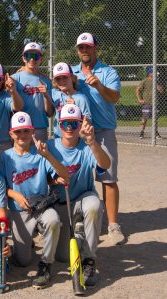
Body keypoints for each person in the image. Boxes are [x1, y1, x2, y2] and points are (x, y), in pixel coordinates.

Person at [0, 111, 69, 289]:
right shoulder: (5, 156)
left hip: (41, 206)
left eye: (26, 131)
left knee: (53, 220)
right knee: (23, 261)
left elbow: (64, 176)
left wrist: (48, 156)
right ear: (11, 134)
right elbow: (0, 186)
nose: (22, 135)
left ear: (32, 132)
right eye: (18, 131)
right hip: (18, 210)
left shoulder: (41, 154)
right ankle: (25, 244)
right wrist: (15, 194)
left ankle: (46, 264)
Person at [47, 104, 111, 287]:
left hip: (84, 196)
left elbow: (105, 165)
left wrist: (92, 141)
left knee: (94, 206)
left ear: (80, 125)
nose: (69, 128)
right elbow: (43, 177)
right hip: (61, 202)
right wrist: (53, 180)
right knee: (62, 257)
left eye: (73, 124)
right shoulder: (51, 146)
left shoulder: (86, 146)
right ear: (59, 125)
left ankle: (89, 260)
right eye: (65, 123)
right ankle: (78, 231)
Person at [72, 32, 124, 245]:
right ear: (77, 50)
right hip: (77, 133)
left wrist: (99, 86)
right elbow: (53, 84)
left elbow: (115, 98)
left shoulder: (108, 72)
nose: (84, 50)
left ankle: (113, 225)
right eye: (81, 47)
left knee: (108, 177)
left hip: (103, 132)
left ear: (96, 48)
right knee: (77, 176)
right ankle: (79, 218)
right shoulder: (72, 71)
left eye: (88, 47)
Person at [11, 42, 54, 142]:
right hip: (20, 128)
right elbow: (11, 108)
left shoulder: (46, 81)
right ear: (23, 58)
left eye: (35, 56)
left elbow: (50, 113)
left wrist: (47, 96)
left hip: (40, 128)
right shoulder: (14, 79)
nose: (31, 59)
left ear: (41, 59)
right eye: (28, 56)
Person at [51, 62, 91, 138]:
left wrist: (75, 109)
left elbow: (88, 121)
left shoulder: (81, 98)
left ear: (72, 77)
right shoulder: (54, 94)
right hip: (58, 138)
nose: (62, 81)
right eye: (58, 79)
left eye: (65, 77)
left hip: (75, 139)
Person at [136, 66, 163, 139]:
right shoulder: (145, 81)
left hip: (155, 103)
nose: (155, 74)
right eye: (153, 72)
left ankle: (156, 133)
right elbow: (137, 90)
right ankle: (142, 132)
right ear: (150, 73)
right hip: (146, 103)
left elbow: (161, 91)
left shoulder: (157, 81)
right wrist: (139, 99)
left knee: (155, 119)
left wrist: (157, 84)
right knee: (144, 118)